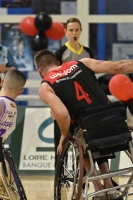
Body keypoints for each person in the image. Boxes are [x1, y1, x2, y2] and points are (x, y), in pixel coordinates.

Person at [34, 49, 133, 200]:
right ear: (59, 63)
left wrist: (63, 136)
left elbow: (62, 114)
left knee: (78, 132)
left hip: (88, 131)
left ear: (39, 71)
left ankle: (98, 186)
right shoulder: (82, 63)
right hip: (114, 120)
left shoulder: (45, 86)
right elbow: (120, 66)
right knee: (93, 126)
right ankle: (108, 184)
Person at [53, 17, 94, 164]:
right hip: (64, 101)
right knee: (61, 143)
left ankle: (85, 180)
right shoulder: (60, 53)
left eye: (77, 29)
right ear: (65, 32)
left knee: (86, 143)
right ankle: (59, 180)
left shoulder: (88, 53)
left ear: (81, 31)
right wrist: (54, 105)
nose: (74, 32)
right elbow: (53, 80)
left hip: (84, 102)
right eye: (71, 30)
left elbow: (92, 78)